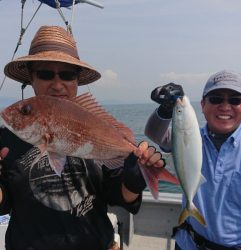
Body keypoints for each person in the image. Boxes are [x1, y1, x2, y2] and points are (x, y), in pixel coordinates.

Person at [0, 25, 165, 250]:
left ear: (78, 80)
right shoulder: (6, 141)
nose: (57, 84)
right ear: (31, 77)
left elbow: (118, 195)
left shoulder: (98, 125)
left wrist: (135, 180)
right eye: (46, 74)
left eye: (67, 75)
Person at [145, 70, 241, 249]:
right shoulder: (191, 137)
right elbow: (154, 133)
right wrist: (165, 110)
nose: (225, 106)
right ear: (202, 105)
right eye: (216, 99)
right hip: (188, 245)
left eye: (235, 100)